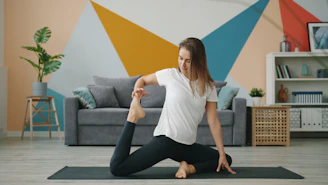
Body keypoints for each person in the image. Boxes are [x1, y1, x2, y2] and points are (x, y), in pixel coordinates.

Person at [110, 37, 236, 178]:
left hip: (187, 146)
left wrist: (222, 152)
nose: (183, 64)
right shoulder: (171, 75)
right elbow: (142, 80)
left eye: (188, 61)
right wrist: (136, 97)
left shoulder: (208, 86)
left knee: (225, 160)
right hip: (166, 141)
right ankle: (132, 115)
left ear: (198, 61)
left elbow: (213, 121)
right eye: (180, 58)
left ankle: (188, 168)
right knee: (117, 167)